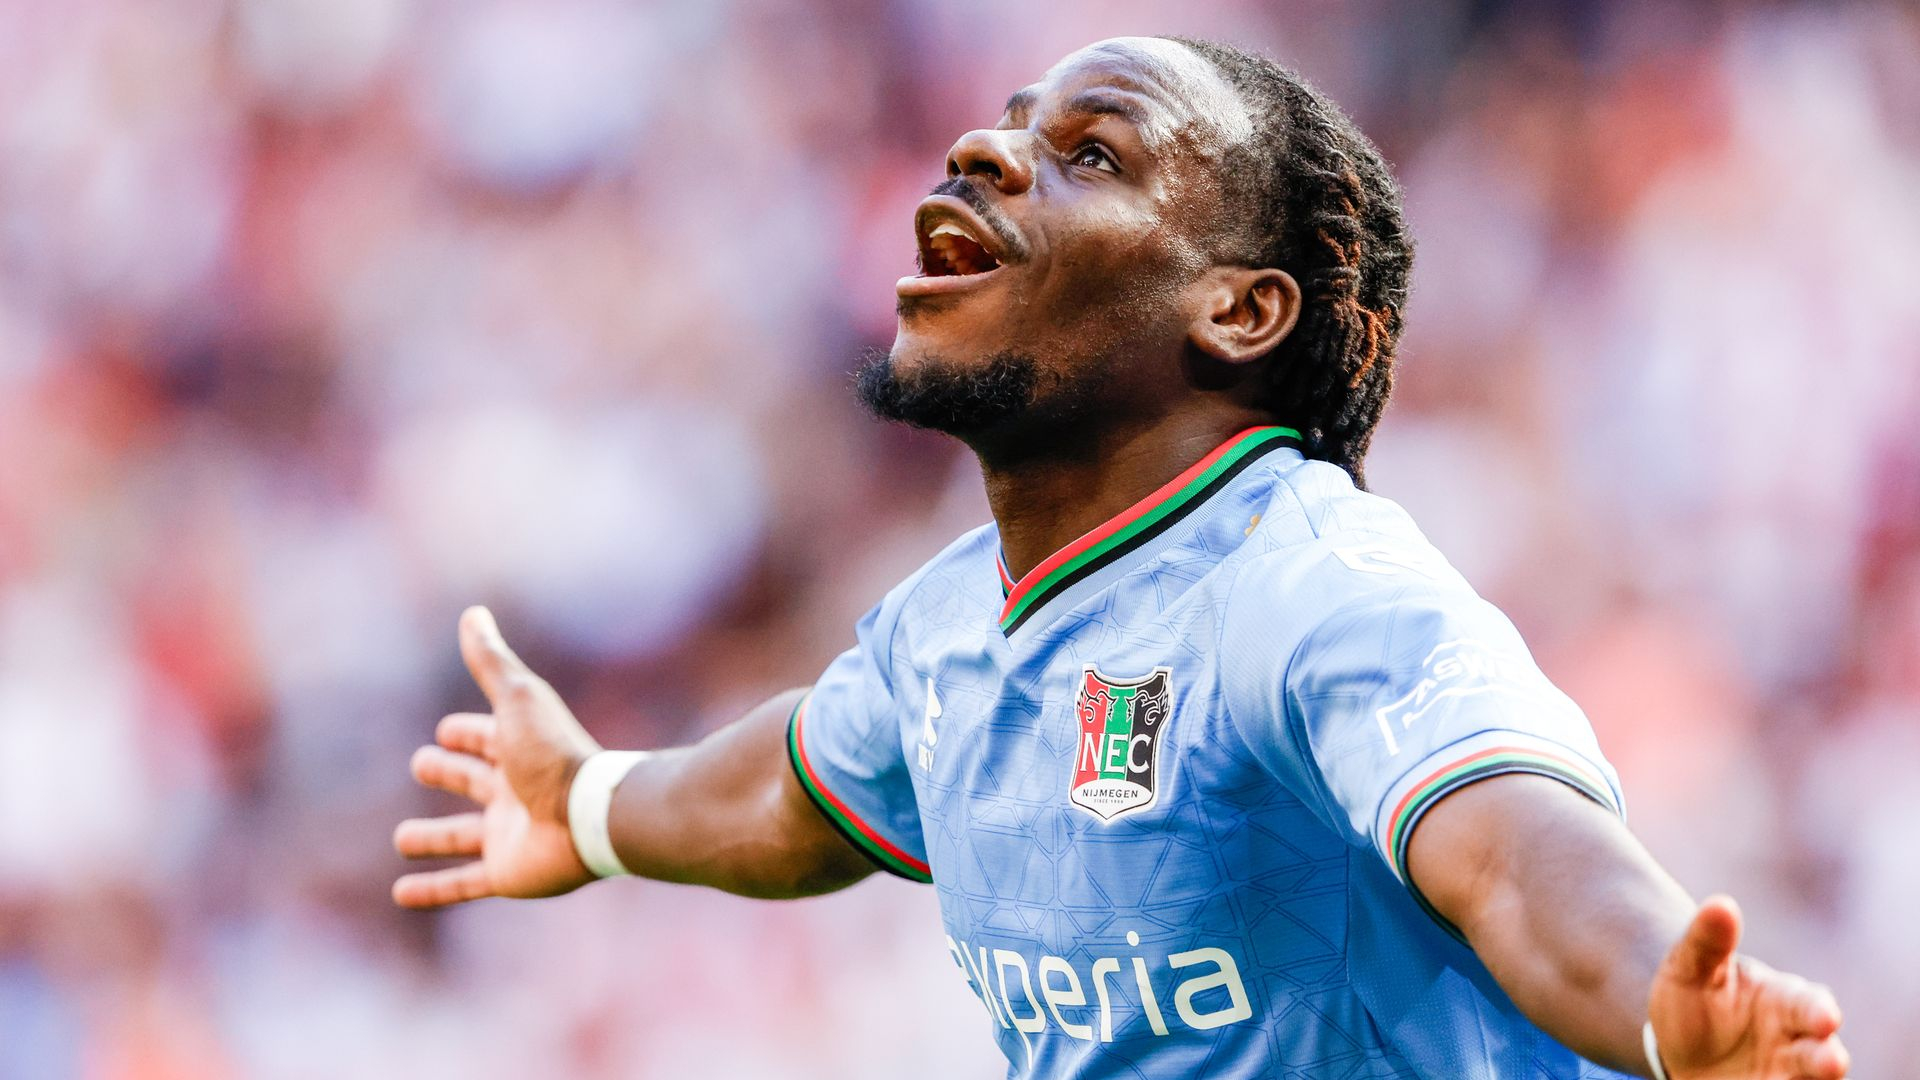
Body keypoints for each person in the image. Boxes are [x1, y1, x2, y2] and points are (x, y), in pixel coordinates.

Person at [390, 36, 1849, 1080]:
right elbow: (796, 791)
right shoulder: (950, 623)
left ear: (1238, 311)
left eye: (1090, 154)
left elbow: (1516, 860)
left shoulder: (1308, 585)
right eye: (1008, 128)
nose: (985, 154)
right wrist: (589, 805)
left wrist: (1663, 1009)